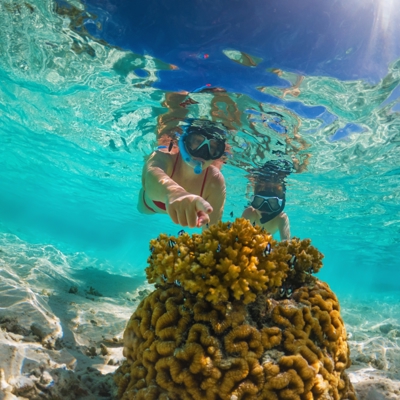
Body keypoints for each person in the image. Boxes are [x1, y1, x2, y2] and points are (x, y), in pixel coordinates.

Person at [137, 119, 227, 228]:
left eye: (212, 147)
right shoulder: (163, 157)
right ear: (183, 141)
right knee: (141, 211)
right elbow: (150, 176)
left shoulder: (215, 180)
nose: (203, 152)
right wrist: (175, 193)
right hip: (149, 207)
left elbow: (212, 229)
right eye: (196, 142)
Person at [242, 159, 292, 241]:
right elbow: (239, 237)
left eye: (272, 203)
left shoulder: (281, 218)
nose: (264, 208)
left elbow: (287, 244)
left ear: (281, 204)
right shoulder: (250, 212)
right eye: (259, 201)